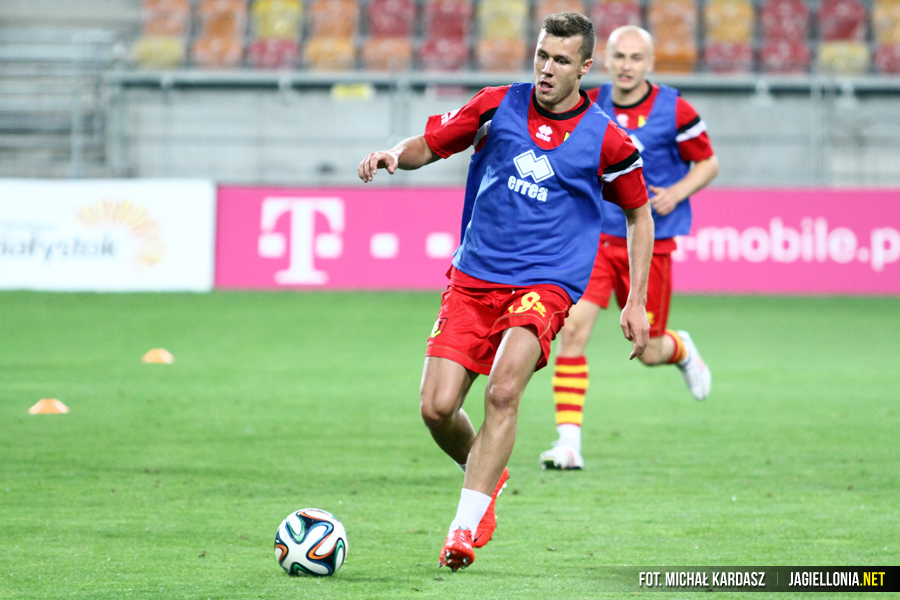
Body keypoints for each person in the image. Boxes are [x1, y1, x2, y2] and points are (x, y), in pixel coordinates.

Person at [358, 12, 655, 572]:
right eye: (542, 55)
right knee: (436, 408)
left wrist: (636, 300)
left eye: (561, 60)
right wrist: (395, 155)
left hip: (545, 284)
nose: (547, 68)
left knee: (502, 392)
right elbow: (429, 144)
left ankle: (462, 528)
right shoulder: (497, 104)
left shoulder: (607, 140)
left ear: (584, 68)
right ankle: (486, 473)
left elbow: (640, 215)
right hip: (474, 278)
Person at [539, 25, 719, 471]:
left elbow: (708, 163)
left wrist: (676, 192)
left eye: (636, 58)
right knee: (572, 332)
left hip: (648, 244)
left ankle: (680, 349)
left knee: (648, 350)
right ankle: (568, 443)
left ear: (650, 64)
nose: (626, 65)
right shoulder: (589, 103)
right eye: (619, 56)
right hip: (594, 239)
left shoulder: (674, 109)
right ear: (605, 60)